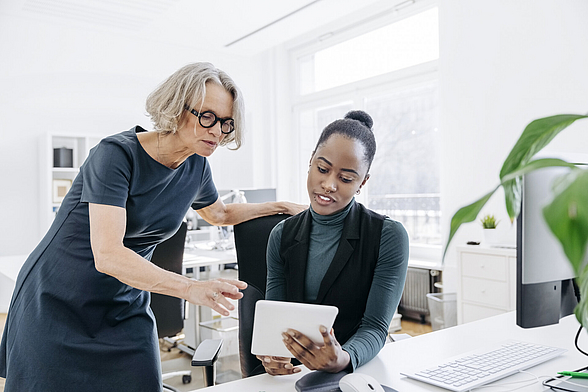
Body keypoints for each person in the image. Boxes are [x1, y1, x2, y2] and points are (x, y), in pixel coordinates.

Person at [0, 62, 305, 391]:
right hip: (61, 298)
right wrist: (190, 289)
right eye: (208, 117)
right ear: (176, 108)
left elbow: (220, 213)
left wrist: (282, 206)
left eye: (226, 123)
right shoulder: (116, 155)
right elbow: (108, 254)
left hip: (124, 300)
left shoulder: (196, 167)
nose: (217, 131)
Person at [258, 111, 409, 375]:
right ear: (311, 161)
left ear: (363, 182)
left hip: (356, 370)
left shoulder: (388, 236)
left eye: (346, 178)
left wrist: (344, 359)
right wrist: (273, 356)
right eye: (323, 169)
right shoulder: (281, 235)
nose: (328, 185)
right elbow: (275, 318)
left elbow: (375, 327)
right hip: (294, 376)